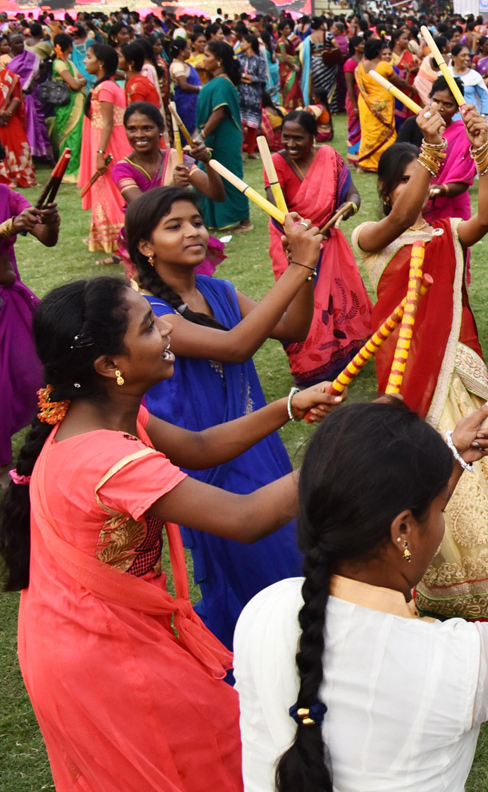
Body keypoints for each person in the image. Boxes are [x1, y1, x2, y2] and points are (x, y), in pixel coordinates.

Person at [0, 275, 339, 791]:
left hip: (93, 627)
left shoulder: (106, 414)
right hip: (97, 650)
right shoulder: (108, 459)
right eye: (148, 326)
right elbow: (246, 518)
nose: (166, 330)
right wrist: (342, 451)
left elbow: (199, 447)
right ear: (109, 366)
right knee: (203, 755)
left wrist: (287, 407)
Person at [234, 391, 488, 792]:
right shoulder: (451, 664)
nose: (442, 518)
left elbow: (398, 520)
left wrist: (452, 457)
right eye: (438, 509)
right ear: (402, 532)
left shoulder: (263, 610)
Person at [350, 109, 488, 622]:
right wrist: (432, 150)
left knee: (484, 470)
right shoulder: (373, 236)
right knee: (431, 475)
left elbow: (484, 218)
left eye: (427, 175)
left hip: (457, 372)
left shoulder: (443, 233)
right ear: (391, 189)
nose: (424, 185)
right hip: (410, 384)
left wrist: (482, 156)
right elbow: (398, 220)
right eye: (411, 178)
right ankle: (443, 590)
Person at [125, 187, 326, 647]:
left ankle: (301, 650)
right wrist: (298, 265)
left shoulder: (219, 291)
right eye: (173, 226)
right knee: (256, 570)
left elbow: (292, 330)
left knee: (294, 552)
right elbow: (237, 347)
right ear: (145, 247)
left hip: (259, 443)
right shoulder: (152, 315)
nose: (193, 231)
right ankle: (265, 657)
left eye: (196, 221)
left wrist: (306, 269)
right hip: (210, 460)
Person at [266, 109, 373, 385]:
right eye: (285, 137)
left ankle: (346, 355)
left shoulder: (330, 158)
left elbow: (353, 194)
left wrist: (349, 207)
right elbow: (274, 206)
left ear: (313, 137)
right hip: (294, 246)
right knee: (303, 304)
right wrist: (301, 233)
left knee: (339, 301)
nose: (289, 144)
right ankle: (312, 366)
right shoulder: (276, 163)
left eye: (297, 138)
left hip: (331, 245)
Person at [111, 102, 226, 279]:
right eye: (132, 129)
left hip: (180, 236)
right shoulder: (122, 169)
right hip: (146, 241)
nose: (139, 135)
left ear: (160, 130)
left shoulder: (177, 157)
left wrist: (206, 162)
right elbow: (141, 206)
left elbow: (216, 194)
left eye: (147, 128)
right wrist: (173, 189)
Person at [1, 183, 58, 468]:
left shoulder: (7, 196)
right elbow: (13, 225)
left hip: (8, 302)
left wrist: (51, 222)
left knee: (29, 372)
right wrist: (8, 226)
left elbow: (46, 238)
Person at [396, 77, 477, 222]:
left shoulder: (464, 134)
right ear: (429, 97)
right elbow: (396, 164)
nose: (440, 108)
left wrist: (438, 190)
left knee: (451, 242)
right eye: (436, 101)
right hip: (414, 201)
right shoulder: (412, 125)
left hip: (452, 207)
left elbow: (464, 180)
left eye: (447, 104)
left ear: (457, 108)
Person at [80, 43, 134, 254]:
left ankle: (119, 242)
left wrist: (100, 154)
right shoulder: (108, 86)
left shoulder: (105, 88)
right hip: (106, 141)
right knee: (106, 189)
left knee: (110, 190)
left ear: (100, 63)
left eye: (89, 56)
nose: (85, 60)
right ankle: (107, 238)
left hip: (108, 144)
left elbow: (108, 123)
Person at [196, 41, 248, 231]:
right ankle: (214, 219)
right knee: (210, 175)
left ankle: (242, 219)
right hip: (215, 136)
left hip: (222, 137)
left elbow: (220, 112)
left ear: (219, 61)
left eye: (207, 56)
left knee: (229, 176)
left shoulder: (222, 83)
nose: (204, 60)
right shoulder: (218, 82)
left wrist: (202, 135)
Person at [354, 38, 401, 173]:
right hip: (382, 105)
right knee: (387, 133)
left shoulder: (360, 66)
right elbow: (399, 82)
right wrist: (412, 89)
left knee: (368, 133)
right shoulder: (384, 66)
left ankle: (364, 164)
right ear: (378, 51)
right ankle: (384, 163)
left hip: (365, 104)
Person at [48, 33, 86, 183]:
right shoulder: (60, 64)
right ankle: (69, 171)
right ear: (69, 46)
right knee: (70, 136)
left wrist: (79, 81)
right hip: (67, 105)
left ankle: (77, 168)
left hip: (76, 103)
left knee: (78, 136)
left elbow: (77, 81)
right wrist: (81, 82)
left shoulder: (68, 62)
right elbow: (75, 84)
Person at [6, 34, 51, 163]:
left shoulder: (31, 57)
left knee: (38, 123)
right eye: (16, 43)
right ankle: (24, 155)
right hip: (14, 97)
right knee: (20, 125)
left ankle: (43, 154)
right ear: (10, 46)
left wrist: (35, 78)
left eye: (21, 42)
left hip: (32, 95)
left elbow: (42, 66)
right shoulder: (7, 59)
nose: (20, 45)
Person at [0, 56, 35, 188]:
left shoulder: (9, 75)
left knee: (20, 145)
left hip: (9, 118)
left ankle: (19, 176)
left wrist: (7, 113)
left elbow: (16, 97)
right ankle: (4, 178)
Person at [237, 33, 269, 155]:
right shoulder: (239, 58)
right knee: (240, 124)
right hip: (241, 94)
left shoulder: (259, 60)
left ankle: (251, 151)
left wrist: (246, 77)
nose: (241, 44)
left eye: (243, 42)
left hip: (254, 96)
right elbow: (237, 75)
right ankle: (239, 151)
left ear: (250, 43)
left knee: (252, 124)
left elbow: (261, 78)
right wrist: (247, 78)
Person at [167, 38, 201, 135]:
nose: (190, 52)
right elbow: (183, 85)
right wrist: (200, 89)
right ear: (181, 51)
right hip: (185, 104)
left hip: (192, 103)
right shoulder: (177, 66)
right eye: (188, 49)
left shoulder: (185, 64)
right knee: (187, 131)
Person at [449, 42, 488, 118]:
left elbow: (485, 97)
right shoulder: (445, 74)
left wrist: (483, 115)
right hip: (450, 117)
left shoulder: (474, 76)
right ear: (454, 57)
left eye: (468, 55)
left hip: (470, 118)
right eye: (463, 55)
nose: (467, 58)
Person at [121, 41, 160, 108]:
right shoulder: (139, 80)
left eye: (120, 57)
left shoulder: (137, 86)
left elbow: (138, 115)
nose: (117, 60)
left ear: (131, 63)